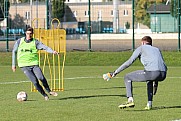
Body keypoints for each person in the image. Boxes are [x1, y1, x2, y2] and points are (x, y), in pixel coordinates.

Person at [103, 36, 167, 110]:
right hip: (163, 74)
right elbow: (158, 64)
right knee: (149, 80)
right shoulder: (157, 49)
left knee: (127, 77)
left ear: (143, 42)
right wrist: (156, 82)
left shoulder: (141, 48)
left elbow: (129, 62)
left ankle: (130, 100)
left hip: (152, 73)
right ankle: (149, 104)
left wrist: (115, 72)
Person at [12, 27, 59, 101]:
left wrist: (52, 51)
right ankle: (44, 95)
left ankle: (49, 91)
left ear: (32, 34)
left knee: (41, 78)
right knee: (35, 82)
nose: (29, 35)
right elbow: (14, 51)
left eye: (30, 34)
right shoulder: (19, 41)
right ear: (25, 33)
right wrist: (13, 64)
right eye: (27, 33)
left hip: (34, 64)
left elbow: (45, 47)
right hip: (23, 66)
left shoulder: (35, 42)